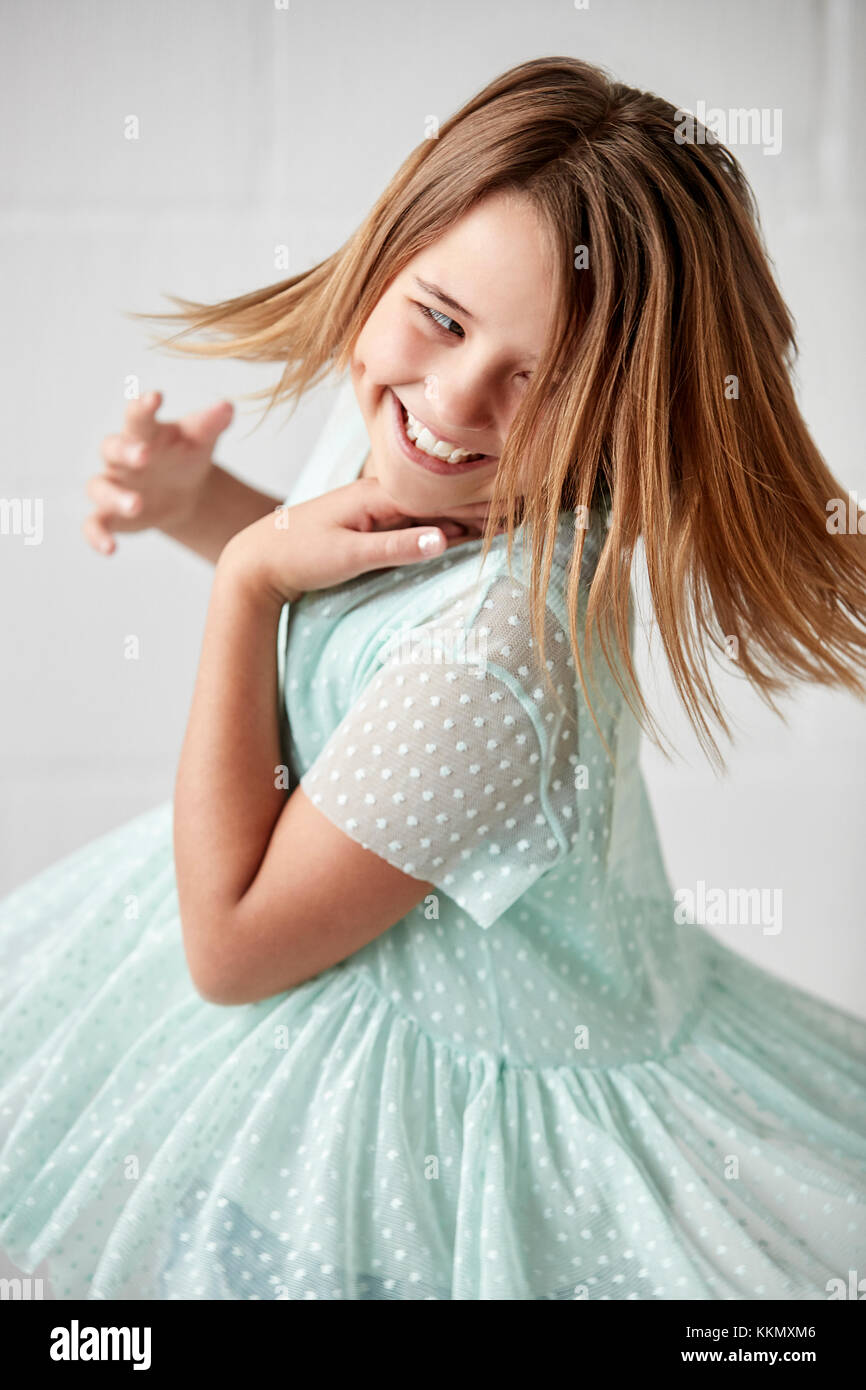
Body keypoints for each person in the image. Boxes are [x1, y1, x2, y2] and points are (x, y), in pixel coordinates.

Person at [2, 56, 865, 1301]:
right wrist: (207, 509)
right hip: (348, 1001)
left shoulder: (498, 654)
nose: (452, 404)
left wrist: (240, 581)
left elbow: (233, 947)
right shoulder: (426, 454)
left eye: (546, 379)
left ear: (623, 410)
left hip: (444, 1100)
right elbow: (365, 578)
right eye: (443, 320)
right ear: (390, 251)